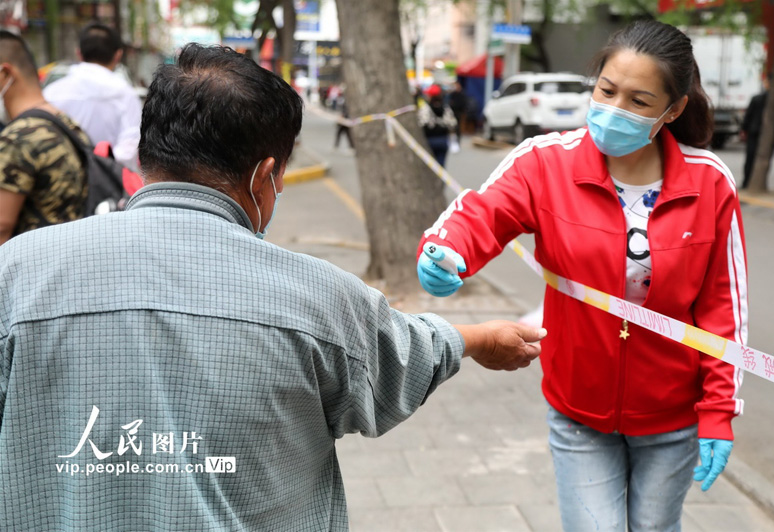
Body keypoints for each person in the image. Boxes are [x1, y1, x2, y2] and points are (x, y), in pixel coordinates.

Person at [0, 44, 546, 530]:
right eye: (280, 176)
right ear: (264, 176)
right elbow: (400, 358)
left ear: (147, 155)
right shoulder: (317, 295)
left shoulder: (15, 272)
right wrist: (477, 339)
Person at [417, 20, 748, 531]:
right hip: (579, 413)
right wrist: (445, 251)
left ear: (673, 109)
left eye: (639, 102)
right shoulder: (546, 162)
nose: (614, 110)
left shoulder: (710, 184)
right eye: (606, 90)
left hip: (673, 418)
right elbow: (482, 213)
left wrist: (718, 410)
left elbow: (723, 308)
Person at [0, 30, 89, 245]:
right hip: (68, 258)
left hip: (30, 268)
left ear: (4, 73)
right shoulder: (65, 123)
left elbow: (2, 225)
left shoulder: (19, 138)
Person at [43, 22, 142, 171]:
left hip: (60, 178)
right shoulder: (126, 94)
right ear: (118, 55)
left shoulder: (51, 92)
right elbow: (130, 148)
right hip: (109, 183)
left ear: (79, 53)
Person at [740, 76, 774, 189]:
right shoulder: (767, 100)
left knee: (751, 159)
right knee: (751, 159)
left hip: (757, 133)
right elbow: (749, 116)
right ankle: (747, 182)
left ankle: (747, 182)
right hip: (756, 133)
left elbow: (748, 116)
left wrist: (744, 129)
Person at [418, 84, 458, 168]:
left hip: (430, 139)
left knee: (430, 166)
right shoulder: (446, 108)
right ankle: (440, 180)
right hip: (443, 139)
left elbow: (421, 123)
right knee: (441, 165)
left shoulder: (425, 108)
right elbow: (453, 123)